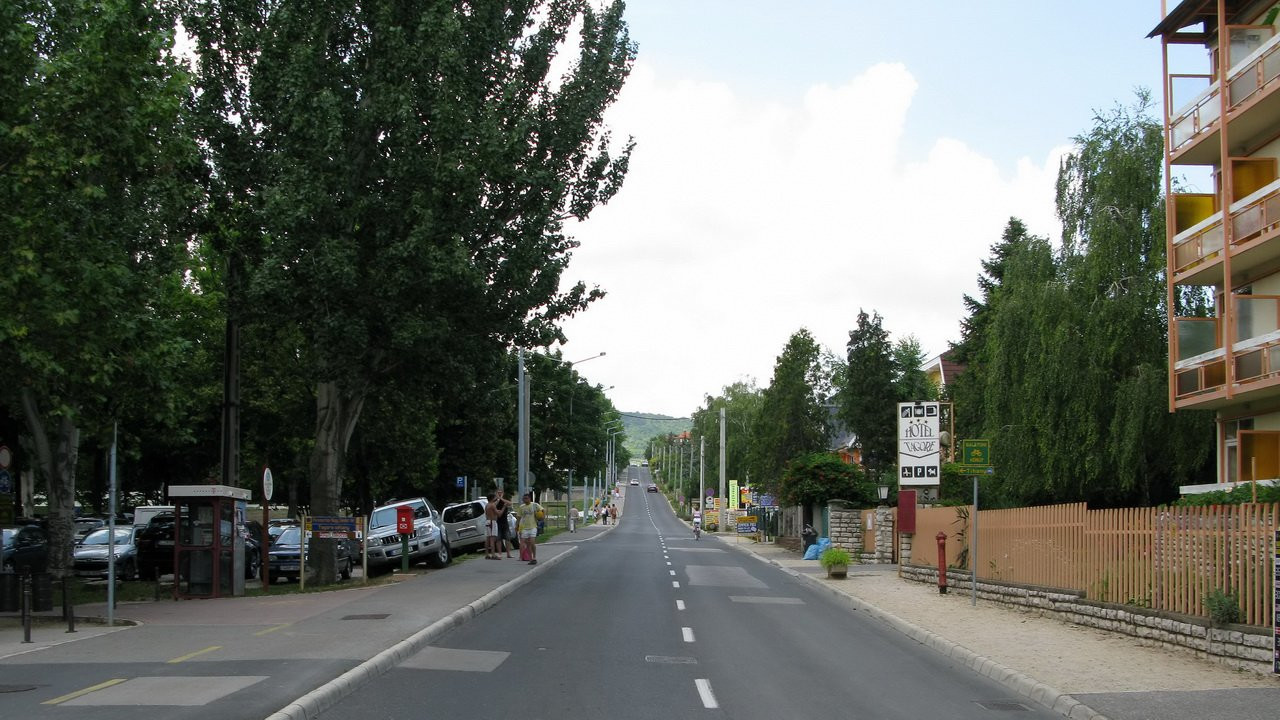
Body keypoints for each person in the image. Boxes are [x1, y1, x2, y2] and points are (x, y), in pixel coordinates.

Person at [517, 492, 543, 565]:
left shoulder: (534, 505)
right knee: (526, 543)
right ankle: (530, 558)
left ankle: (534, 557)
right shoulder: (521, 507)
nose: (525, 500)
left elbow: (542, 510)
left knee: (532, 542)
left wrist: (541, 517)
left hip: (533, 526)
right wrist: (517, 526)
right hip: (524, 527)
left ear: (530, 499)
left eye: (526, 498)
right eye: (524, 498)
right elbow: (518, 517)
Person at [492, 489, 513, 558]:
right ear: (496, 493)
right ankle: (500, 554)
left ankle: (508, 554)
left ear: (503, 493)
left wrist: (501, 498)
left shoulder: (504, 500)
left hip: (505, 521)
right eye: (498, 492)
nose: (499, 493)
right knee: (498, 538)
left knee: (507, 538)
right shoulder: (494, 501)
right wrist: (498, 499)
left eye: (501, 492)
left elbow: (510, 503)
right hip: (497, 522)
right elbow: (493, 506)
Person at [483, 493, 501, 559]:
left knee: (488, 538)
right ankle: (493, 554)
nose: (496, 498)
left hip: (487, 521)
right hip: (492, 522)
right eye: (494, 497)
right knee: (492, 539)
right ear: (492, 498)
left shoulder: (487, 505)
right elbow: (498, 514)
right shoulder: (493, 505)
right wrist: (502, 509)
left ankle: (487, 554)